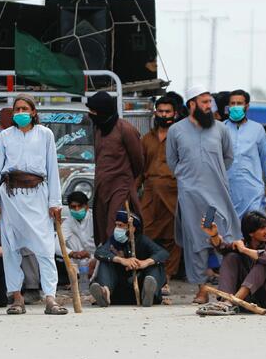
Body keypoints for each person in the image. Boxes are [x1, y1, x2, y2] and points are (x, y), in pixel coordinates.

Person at [0, 95, 68, 315]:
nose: (21, 112)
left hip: (38, 195)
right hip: (10, 197)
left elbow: (52, 168)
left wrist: (55, 202)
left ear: (33, 112)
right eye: (17, 109)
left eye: (25, 108)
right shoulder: (5, 136)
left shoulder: (45, 134)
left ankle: (50, 297)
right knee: (11, 248)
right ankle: (17, 297)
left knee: (45, 247)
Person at [166, 87, 239, 304]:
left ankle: (226, 288)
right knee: (196, 241)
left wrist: (213, 174)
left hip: (216, 195)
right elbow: (172, 162)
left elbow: (228, 158)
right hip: (191, 196)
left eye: (210, 102)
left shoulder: (221, 129)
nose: (209, 106)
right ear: (192, 104)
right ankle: (202, 290)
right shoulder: (176, 130)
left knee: (223, 237)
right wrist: (188, 179)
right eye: (205, 102)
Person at [197, 210, 266, 315]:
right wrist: (214, 235)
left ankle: (230, 302)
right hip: (252, 300)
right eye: (262, 228)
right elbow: (223, 248)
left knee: (263, 261)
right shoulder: (243, 243)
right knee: (230, 257)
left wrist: (245, 250)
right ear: (250, 233)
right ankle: (225, 301)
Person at [87, 90, 145, 243]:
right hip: (102, 187)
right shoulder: (98, 128)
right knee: (101, 228)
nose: (90, 115)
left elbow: (138, 162)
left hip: (120, 187)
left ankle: (118, 257)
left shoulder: (126, 130)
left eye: (94, 111)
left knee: (115, 228)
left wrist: (126, 180)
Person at [139, 95, 182, 279]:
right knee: (145, 232)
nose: (164, 115)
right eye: (161, 111)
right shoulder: (146, 139)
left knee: (173, 236)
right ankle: (145, 272)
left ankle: (167, 276)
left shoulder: (180, 137)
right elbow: (140, 168)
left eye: (167, 112)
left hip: (174, 192)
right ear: (155, 113)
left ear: (175, 114)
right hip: (150, 194)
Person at [90, 209, 168, 307]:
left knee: (156, 264)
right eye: (116, 225)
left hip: (139, 285)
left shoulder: (142, 240)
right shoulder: (113, 241)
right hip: (119, 290)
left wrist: (144, 263)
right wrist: (122, 260)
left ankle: (148, 294)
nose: (117, 229)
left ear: (132, 228)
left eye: (121, 225)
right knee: (106, 261)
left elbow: (163, 253)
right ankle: (105, 293)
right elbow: (99, 252)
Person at [223, 89, 266, 218]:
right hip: (227, 190)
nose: (235, 107)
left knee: (255, 225)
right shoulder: (220, 128)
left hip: (253, 191)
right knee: (229, 226)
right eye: (233, 103)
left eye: (239, 103)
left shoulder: (257, 129)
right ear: (228, 106)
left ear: (247, 106)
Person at [59, 191, 95, 284]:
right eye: (73, 207)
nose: (77, 209)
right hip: (80, 259)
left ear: (86, 206)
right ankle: (77, 278)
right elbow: (57, 245)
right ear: (69, 207)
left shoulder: (94, 219)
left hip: (97, 257)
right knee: (67, 240)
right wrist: (73, 253)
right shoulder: (69, 222)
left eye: (80, 206)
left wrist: (93, 257)